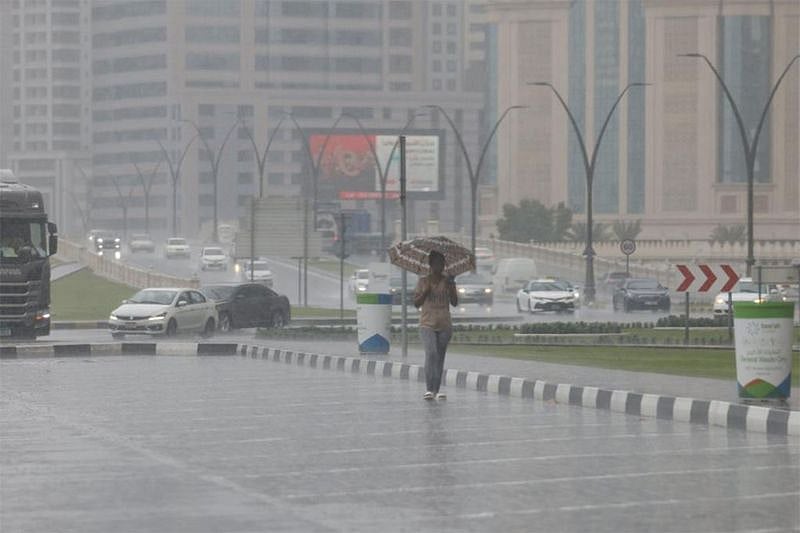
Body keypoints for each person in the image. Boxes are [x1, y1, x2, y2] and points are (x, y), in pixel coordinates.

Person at [414, 250, 458, 401]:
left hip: (445, 324)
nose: (440, 266)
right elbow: (416, 303)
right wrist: (426, 292)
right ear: (431, 264)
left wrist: (452, 285)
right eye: (437, 263)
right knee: (431, 353)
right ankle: (428, 388)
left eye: (442, 263)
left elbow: (455, 302)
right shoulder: (423, 281)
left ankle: (436, 389)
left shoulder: (447, 281)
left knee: (440, 357)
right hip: (427, 324)